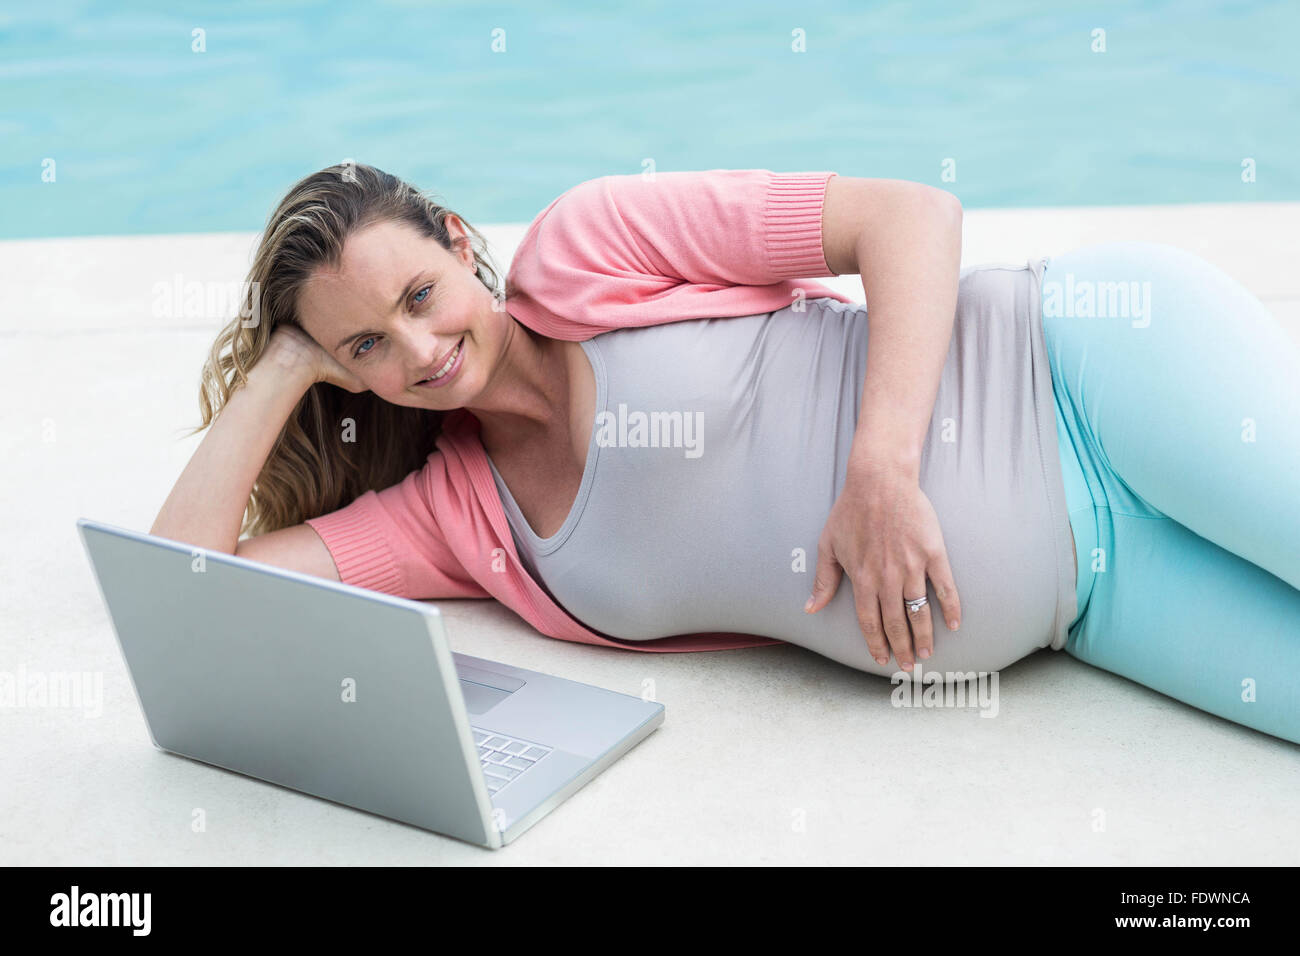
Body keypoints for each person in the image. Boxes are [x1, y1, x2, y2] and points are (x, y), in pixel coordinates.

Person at [152, 163, 1300, 746]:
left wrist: (883, 471)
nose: (418, 345)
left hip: (1091, 369)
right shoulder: (457, 517)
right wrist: (279, 368)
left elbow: (909, 214)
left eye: (419, 293)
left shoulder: (588, 246)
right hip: (1084, 598)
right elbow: (185, 590)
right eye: (366, 343)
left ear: (460, 243)